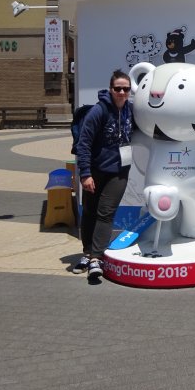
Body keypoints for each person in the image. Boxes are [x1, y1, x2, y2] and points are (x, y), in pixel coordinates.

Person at [73, 69, 135, 278]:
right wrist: (85, 174)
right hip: (95, 171)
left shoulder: (131, 111)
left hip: (119, 173)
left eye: (126, 89)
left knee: (105, 213)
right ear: (110, 89)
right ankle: (87, 252)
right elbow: (84, 144)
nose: (122, 92)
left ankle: (96, 258)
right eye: (118, 88)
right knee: (89, 212)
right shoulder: (98, 111)